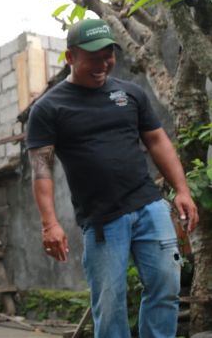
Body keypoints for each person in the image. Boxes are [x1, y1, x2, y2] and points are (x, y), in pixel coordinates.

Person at [26, 19, 199, 337]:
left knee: (166, 285)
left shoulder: (129, 93)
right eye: (93, 57)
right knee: (109, 303)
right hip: (103, 220)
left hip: (150, 206)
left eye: (108, 55)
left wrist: (182, 190)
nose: (103, 63)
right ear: (70, 58)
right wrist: (50, 223)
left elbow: (158, 141)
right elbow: (42, 169)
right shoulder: (48, 109)